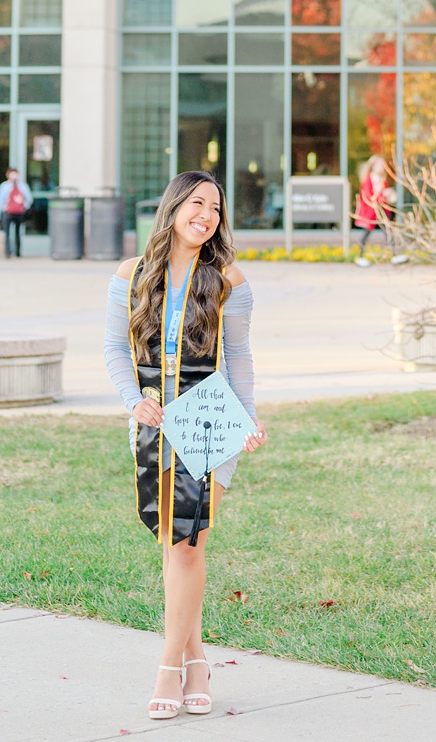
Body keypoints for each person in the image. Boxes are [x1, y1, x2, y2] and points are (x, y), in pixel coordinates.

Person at [101, 172, 263, 721]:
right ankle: (198, 663)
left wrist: (248, 419)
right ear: (173, 208)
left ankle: (168, 667)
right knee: (174, 545)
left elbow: (238, 359)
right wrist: (133, 401)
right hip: (151, 421)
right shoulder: (130, 276)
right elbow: (113, 349)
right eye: (198, 203)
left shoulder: (227, 280)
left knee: (189, 544)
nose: (208, 214)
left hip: (208, 418)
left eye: (216, 207)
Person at [353, 153, 394, 263]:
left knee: (388, 231)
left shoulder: (381, 180)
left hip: (381, 210)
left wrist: (386, 194)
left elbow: (381, 195)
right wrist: (380, 192)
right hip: (372, 211)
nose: (381, 167)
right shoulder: (367, 180)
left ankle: (393, 254)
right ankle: (360, 255)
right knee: (366, 233)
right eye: (379, 165)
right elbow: (368, 197)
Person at [0, 165, 34, 257]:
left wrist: (23, 206)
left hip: (19, 212)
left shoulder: (23, 186)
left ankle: (17, 252)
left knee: (18, 233)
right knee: (7, 234)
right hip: (7, 212)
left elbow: (29, 199)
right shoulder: (4, 186)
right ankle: (8, 253)